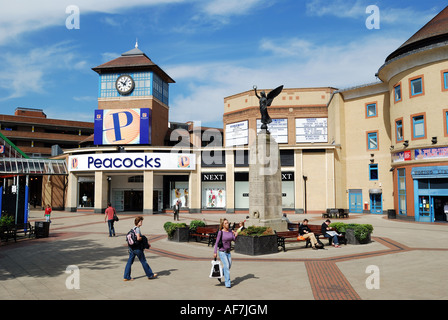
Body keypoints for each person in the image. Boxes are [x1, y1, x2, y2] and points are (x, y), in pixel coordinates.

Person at [124, 216, 157, 281]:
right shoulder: (137, 229)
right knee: (143, 261)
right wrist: (143, 238)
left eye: (141, 221)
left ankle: (126, 276)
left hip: (132, 248)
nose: (141, 222)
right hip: (137, 249)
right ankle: (150, 275)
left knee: (129, 262)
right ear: (137, 222)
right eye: (140, 221)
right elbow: (138, 238)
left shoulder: (133, 228)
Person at [213, 218, 237, 288]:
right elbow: (216, 242)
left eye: (228, 223)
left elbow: (234, 240)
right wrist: (215, 252)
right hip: (222, 252)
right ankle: (228, 283)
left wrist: (236, 235)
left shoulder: (230, 231)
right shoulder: (221, 232)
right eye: (226, 223)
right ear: (223, 225)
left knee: (229, 266)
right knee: (226, 267)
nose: (227, 224)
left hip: (228, 252)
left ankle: (220, 273)